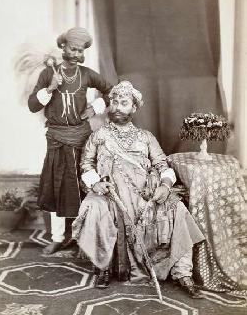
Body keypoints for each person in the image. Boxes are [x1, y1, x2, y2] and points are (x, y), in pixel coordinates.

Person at [72, 81, 205, 298]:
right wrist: (95, 183)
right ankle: (103, 266)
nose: (116, 107)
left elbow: (163, 165)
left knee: (177, 209)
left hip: (143, 194)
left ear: (133, 108)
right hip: (110, 194)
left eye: (123, 103)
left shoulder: (146, 137)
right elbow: (86, 165)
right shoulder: (99, 135)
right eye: (114, 102)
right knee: (94, 206)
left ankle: (183, 273)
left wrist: (164, 185)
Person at [28, 27, 112, 254]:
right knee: (56, 188)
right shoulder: (48, 74)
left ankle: (81, 237)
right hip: (55, 138)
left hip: (81, 139)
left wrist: (94, 109)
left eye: (81, 50)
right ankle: (57, 237)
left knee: (82, 186)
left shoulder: (86, 74)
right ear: (63, 46)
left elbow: (110, 91)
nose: (76, 54)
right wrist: (51, 88)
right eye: (73, 49)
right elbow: (33, 105)